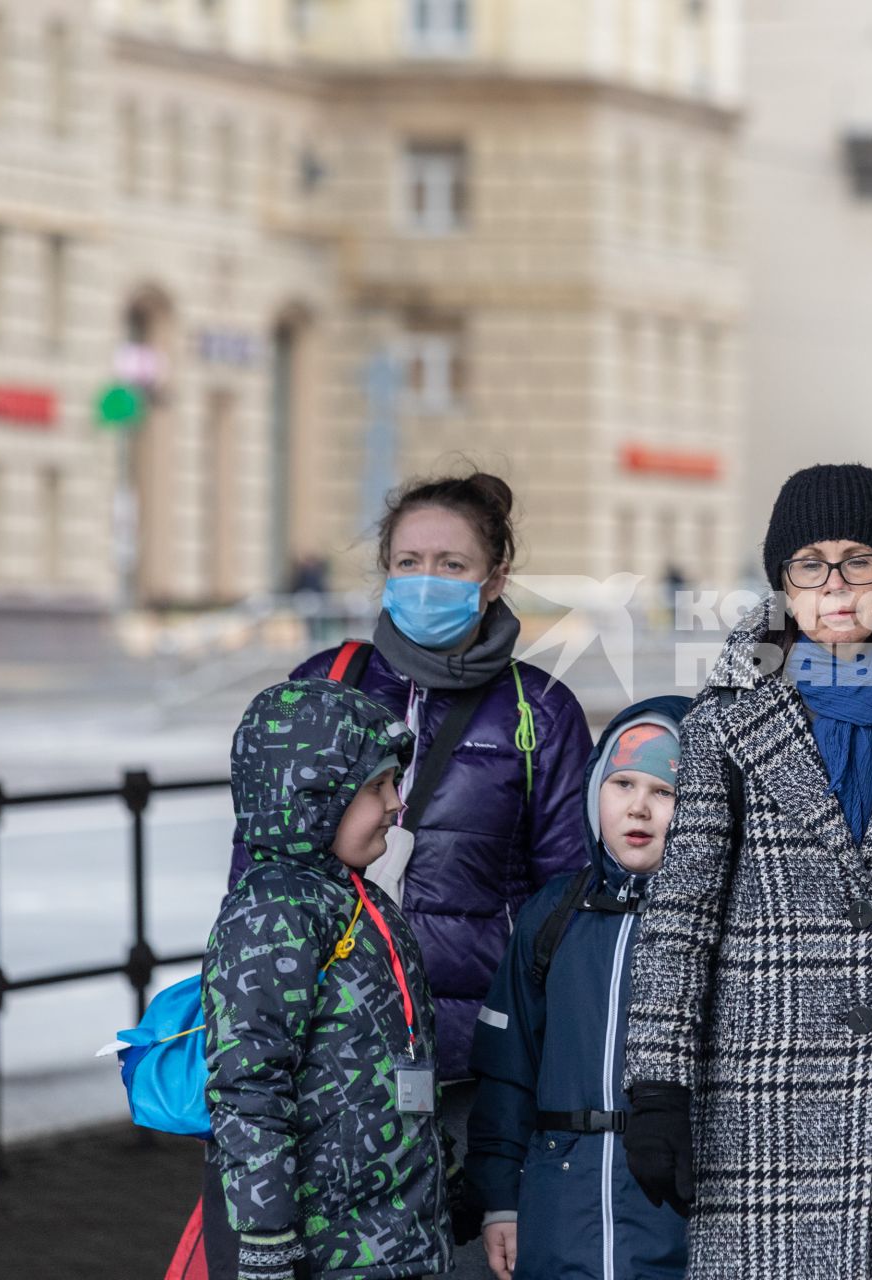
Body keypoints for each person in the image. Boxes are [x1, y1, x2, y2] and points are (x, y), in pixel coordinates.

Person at [621, 464, 872, 1280]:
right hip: (763, 1098)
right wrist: (657, 1085)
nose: (835, 585)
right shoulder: (727, 718)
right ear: (782, 581)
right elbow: (684, 914)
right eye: (810, 563)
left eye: (859, 561)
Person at [230, 470, 594, 1278]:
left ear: (494, 578)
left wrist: (545, 1047)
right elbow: (257, 870)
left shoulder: (540, 712)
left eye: (452, 565)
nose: (426, 580)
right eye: (409, 560)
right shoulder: (324, 685)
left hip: (472, 1060)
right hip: (328, 1051)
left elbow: (569, 899)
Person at [205, 678, 449, 1280]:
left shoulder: (359, 897)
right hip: (331, 1250)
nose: (397, 803)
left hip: (394, 1236)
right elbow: (250, 1089)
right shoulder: (274, 913)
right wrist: (267, 1241)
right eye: (377, 786)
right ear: (312, 796)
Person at [467, 696, 693, 1280]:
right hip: (560, 1212)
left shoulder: (727, 922)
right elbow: (508, 1068)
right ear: (595, 789)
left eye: (664, 792)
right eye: (622, 784)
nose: (638, 807)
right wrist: (500, 1197)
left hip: (680, 1218)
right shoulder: (553, 913)